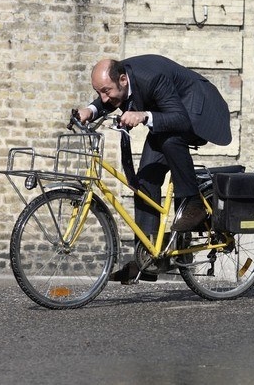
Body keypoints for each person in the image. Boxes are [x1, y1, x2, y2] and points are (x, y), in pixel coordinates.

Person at [77, 54, 231, 282]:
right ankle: (147, 261)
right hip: (171, 113)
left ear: (123, 79)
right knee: (145, 180)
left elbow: (180, 119)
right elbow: (109, 96)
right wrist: (90, 110)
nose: (103, 97)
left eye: (105, 91)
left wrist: (144, 115)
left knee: (170, 140)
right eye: (99, 92)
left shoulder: (152, 78)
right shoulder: (119, 80)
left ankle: (194, 203)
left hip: (198, 109)